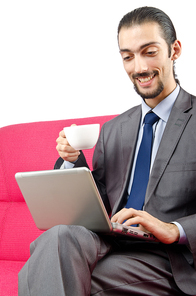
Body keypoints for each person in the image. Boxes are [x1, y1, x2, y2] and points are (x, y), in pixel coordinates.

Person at [19, 6, 196, 296]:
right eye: (128, 56)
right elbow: (98, 203)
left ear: (174, 50)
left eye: (149, 52)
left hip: (167, 257)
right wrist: (74, 162)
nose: (138, 67)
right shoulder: (114, 129)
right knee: (60, 236)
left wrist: (174, 229)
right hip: (110, 241)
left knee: (41, 271)